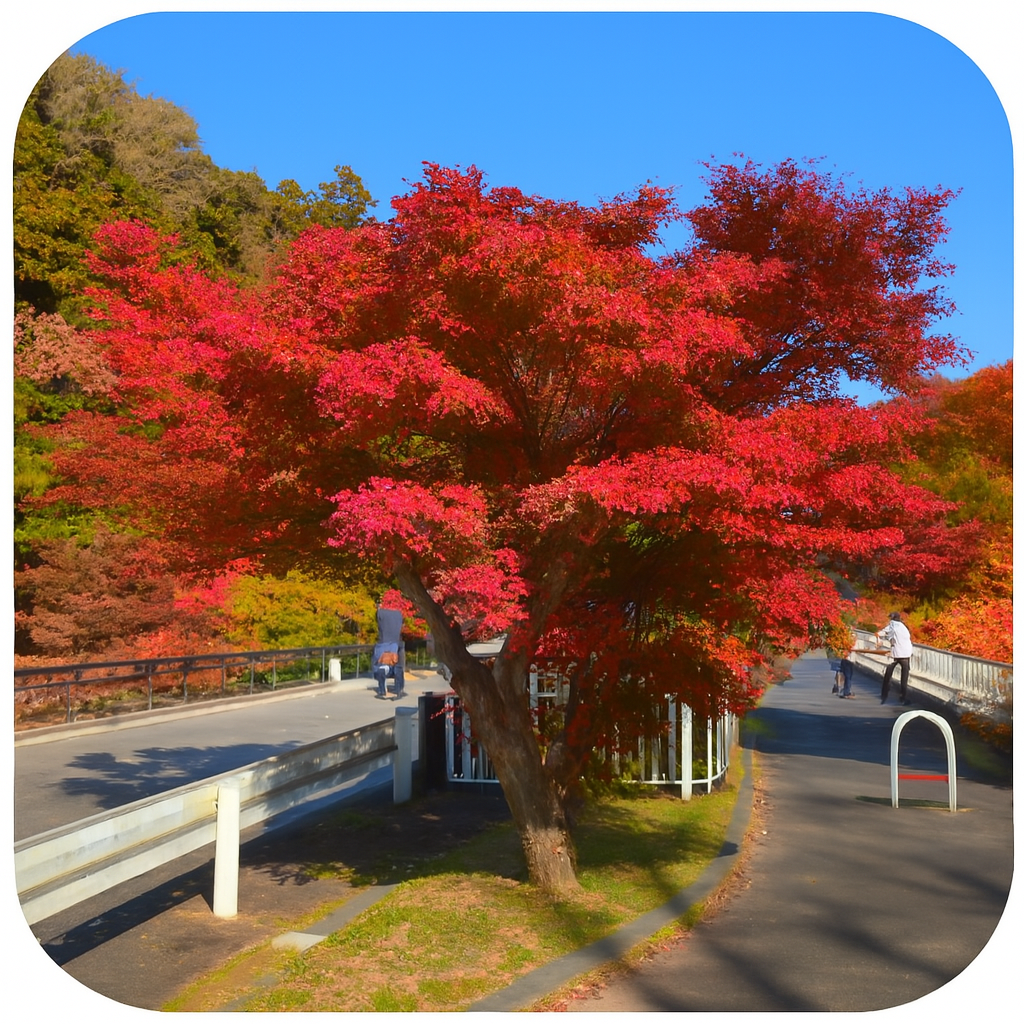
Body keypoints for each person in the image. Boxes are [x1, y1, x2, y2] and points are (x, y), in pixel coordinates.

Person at [876, 612, 913, 705]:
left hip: (895, 655)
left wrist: (877, 637)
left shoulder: (893, 625)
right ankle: (903, 698)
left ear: (892, 618)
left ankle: (884, 694)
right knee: (904, 678)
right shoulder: (904, 627)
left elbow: (881, 633)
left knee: (888, 675)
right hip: (906, 654)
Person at [372, 601, 406, 700]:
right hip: (394, 644)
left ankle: (382, 690)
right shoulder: (398, 615)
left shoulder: (381, 615)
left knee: (382, 668)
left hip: (383, 644)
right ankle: (399, 689)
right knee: (398, 668)